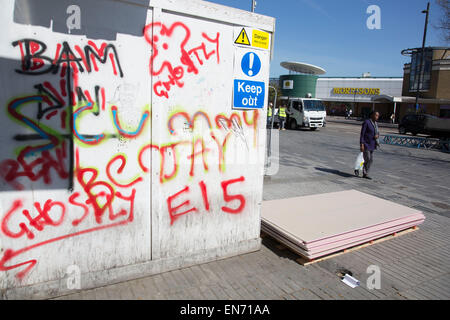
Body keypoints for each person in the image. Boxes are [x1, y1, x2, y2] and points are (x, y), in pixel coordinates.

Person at [359, 111, 380, 180]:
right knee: (367, 158)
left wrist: (377, 136)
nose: (377, 117)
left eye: (378, 116)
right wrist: (361, 144)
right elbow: (362, 134)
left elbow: (377, 133)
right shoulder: (366, 122)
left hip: (373, 144)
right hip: (366, 144)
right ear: (372, 115)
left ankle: (366, 173)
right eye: (376, 115)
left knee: (370, 160)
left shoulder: (376, 124)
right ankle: (364, 171)